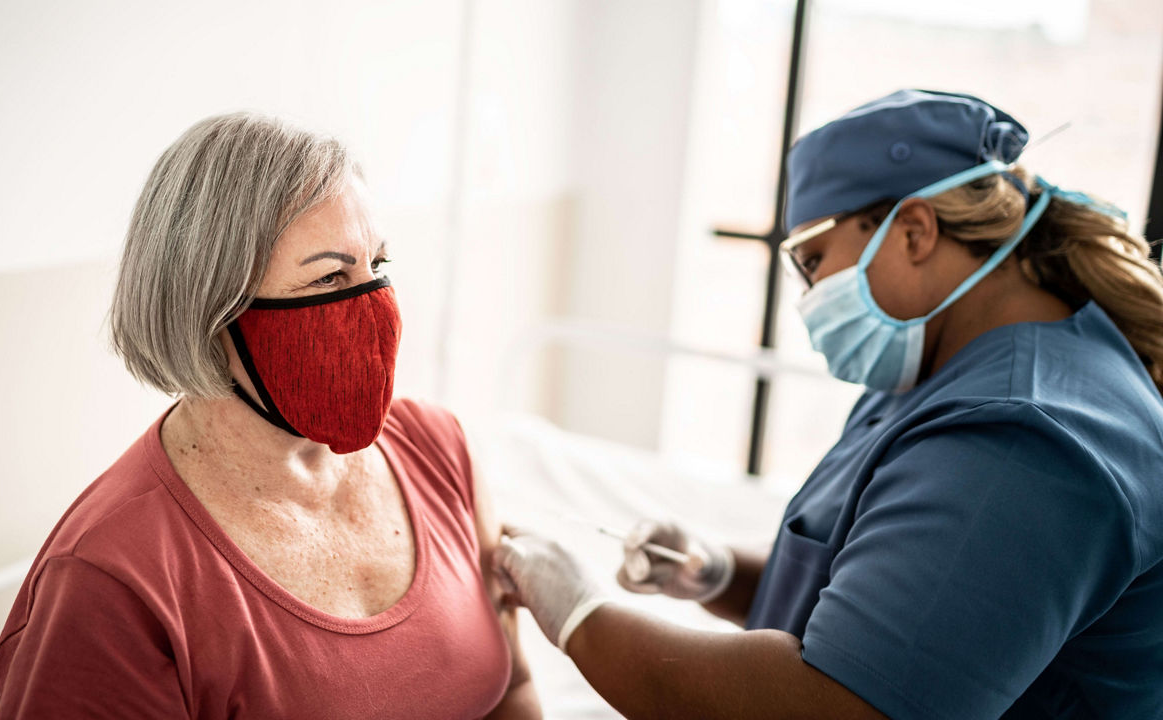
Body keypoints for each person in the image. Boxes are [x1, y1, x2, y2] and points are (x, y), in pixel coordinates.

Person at [495, 89, 1163, 718]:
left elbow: (833, 704)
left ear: (914, 232)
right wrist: (719, 572)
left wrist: (582, 616)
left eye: (814, 262)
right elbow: (877, 596)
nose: (809, 298)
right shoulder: (933, 370)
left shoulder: (1025, 440)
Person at [0, 113, 540, 719]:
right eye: (329, 276)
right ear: (211, 309)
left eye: (378, 267)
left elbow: (510, 689)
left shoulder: (440, 448)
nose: (375, 305)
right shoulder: (112, 581)